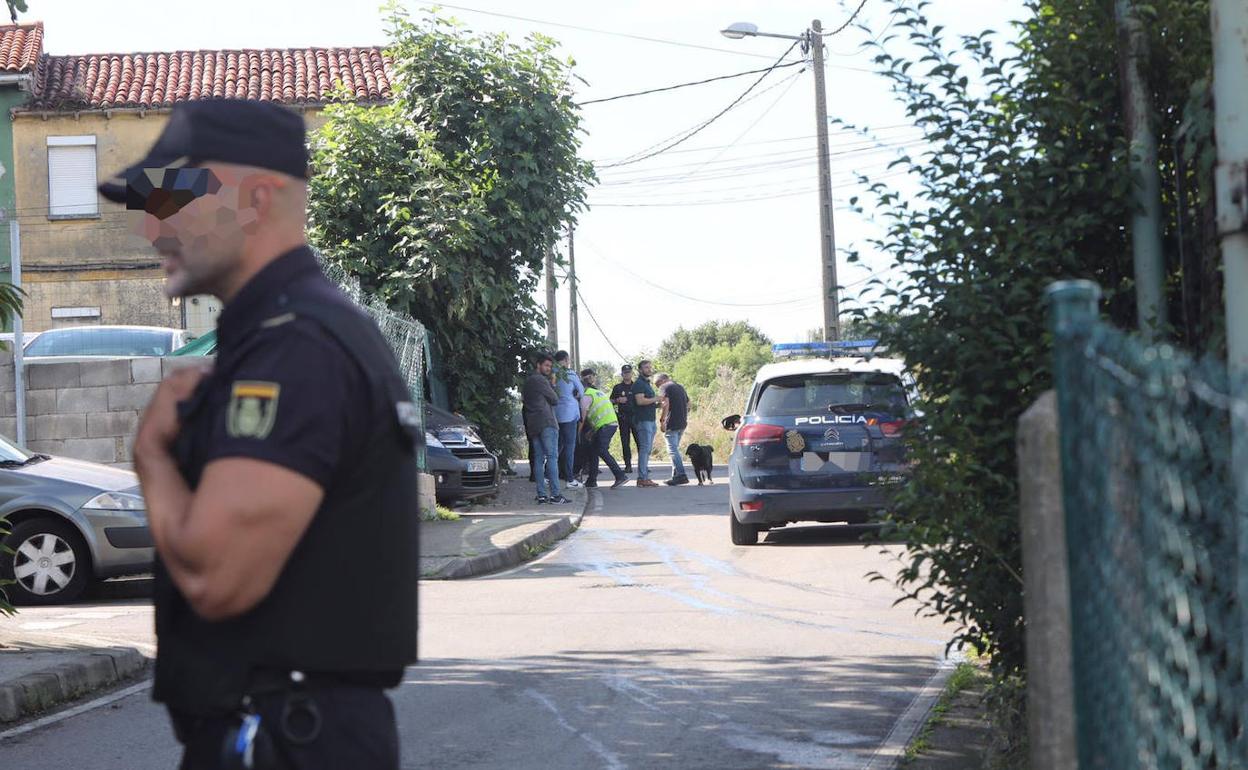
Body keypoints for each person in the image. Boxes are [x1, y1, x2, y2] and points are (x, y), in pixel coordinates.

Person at [112, 99, 417, 769]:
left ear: (255, 199)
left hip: (282, 736)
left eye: (172, 199)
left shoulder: (295, 346)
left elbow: (217, 578)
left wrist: (152, 456)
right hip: (286, 730)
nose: (152, 228)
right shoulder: (289, 333)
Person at [522, 353, 570, 505]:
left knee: (538, 459)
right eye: (546, 365)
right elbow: (555, 399)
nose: (549, 369)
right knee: (552, 457)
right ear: (538, 365)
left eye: (550, 366)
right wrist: (553, 384)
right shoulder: (541, 380)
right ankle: (555, 495)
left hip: (533, 423)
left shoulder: (528, 382)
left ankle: (541, 495)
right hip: (547, 422)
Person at [579, 369, 628, 488]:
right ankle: (591, 480)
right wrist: (592, 431)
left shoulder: (586, 396)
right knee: (593, 451)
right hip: (609, 423)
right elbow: (598, 413)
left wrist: (578, 433)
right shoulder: (597, 392)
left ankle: (620, 475)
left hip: (605, 425)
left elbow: (582, 418)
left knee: (601, 450)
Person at [552, 350, 584, 488]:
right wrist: (575, 395)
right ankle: (570, 479)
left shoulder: (551, 373)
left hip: (555, 414)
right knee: (570, 447)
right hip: (570, 414)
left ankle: (547, 475)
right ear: (565, 360)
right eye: (568, 360)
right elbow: (581, 391)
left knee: (557, 446)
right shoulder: (570, 374)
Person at [630, 360, 662, 487]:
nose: (649, 369)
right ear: (640, 370)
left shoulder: (646, 383)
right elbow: (640, 401)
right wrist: (656, 399)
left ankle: (644, 477)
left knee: (647, 449)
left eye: (650, 367)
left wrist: (657, 404)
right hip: (643, 421)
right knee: (644, 449)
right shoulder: (639, 384)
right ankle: (642, 478)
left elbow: (647, 402)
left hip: (650, 419)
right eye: (646, 367)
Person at [655, 373, 691, 486]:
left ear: (662, 380)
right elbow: (689, 403)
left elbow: (665, 404)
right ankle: (675, 476)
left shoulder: (665, 387)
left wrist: (662, 421)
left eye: (657, 384)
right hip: (682, 422)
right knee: (675, 449)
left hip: (672, 423)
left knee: (672, 450)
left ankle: (681, 475)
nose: (658, 387)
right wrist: (683, 415)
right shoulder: (680, 387)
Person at [610, 364, 640, 473]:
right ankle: (628, 465)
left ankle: (643, 465)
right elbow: (610, 401)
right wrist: (617, 400)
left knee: (639, 441)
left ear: (632, 373)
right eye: (625, 373)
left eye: (629, 372)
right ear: (622, 374)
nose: (627, 374)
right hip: (623, 418)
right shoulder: (618, 387)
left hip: (636, 417)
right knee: (625, 442)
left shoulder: (637, 386)